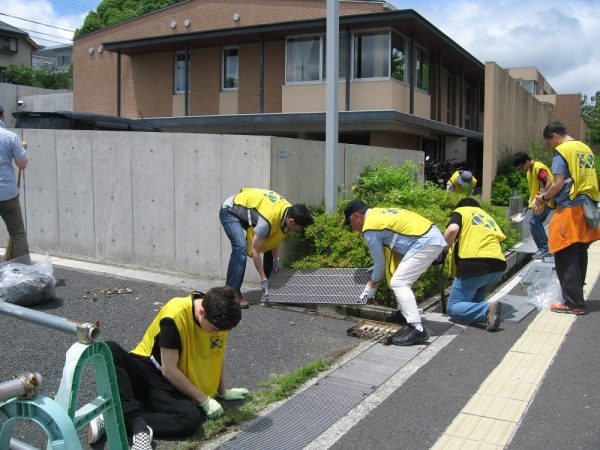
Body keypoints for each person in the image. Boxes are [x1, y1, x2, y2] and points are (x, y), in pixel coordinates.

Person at [88, 287, 247, 448]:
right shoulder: (175, 316)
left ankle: (113, 417)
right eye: (214, 329)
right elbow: (169, 370)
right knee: (110, 349)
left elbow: (217, 355)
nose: (217, 334)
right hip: (149, 372)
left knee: (190, 420)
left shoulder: (219, 317)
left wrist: (223, 391)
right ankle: (138, 428)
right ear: (201, 312)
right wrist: (204, 399)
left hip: (174, 383)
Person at [344, 199, 446, 346]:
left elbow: (380, 264)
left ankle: (417, 329)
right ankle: (405, 317)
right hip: (431, 236)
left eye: (350, 223)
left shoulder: (369, 228)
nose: (352, 227)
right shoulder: (378, 214)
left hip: (425, 241)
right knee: (401, 279)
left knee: (399, 282)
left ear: (356, 216)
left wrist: (371, 286)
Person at [534, 122, 600, 315]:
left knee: (565, 253)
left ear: (554, 136)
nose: (551, 147)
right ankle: (577, 297)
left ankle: (573, 303)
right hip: (588, 207)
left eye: (550, 143)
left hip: (570, 208)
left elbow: (559, 183)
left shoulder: (562, 150)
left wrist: (544, 197)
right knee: (580, 251)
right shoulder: (584, 148)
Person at [219, 187, 314, 308]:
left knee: (266, 246)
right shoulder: (267, 220)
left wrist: (276, 259)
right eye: (299, 229)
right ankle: (231, 296)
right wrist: (263, 278)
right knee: (240, 248)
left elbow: (275, 237)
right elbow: (255, 251)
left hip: (250, 213)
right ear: (291, 222)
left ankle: (269, 292)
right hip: (230, 210)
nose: (299, 231)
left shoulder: (289, 211)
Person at [443, 197, 506, 331]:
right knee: (472, 304)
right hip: (498, 266)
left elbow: (452, 229)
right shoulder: (487, 217)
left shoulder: (461, 211)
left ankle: (486, 308)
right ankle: (488, 313)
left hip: (473, 264)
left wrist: (440, 251)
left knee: (453, 308)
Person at [512, 151, 554, 259]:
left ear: (526, 161)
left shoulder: (538, 168)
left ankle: (544, 249)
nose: (522, 169)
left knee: (534, 222)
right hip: (542, 200)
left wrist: (543, 194)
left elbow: (549, 182)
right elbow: (536, 186)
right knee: (536, 222)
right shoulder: (529, 171)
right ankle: (544, 248)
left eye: (522, 166)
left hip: (547, 200)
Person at [0, 122, 30, 262]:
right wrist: (21, 149)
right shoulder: (10, 137)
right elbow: (22, 164)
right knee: (17, 233)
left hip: (7, 193)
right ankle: (22, 272)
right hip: (7, 194)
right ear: (3, 117)